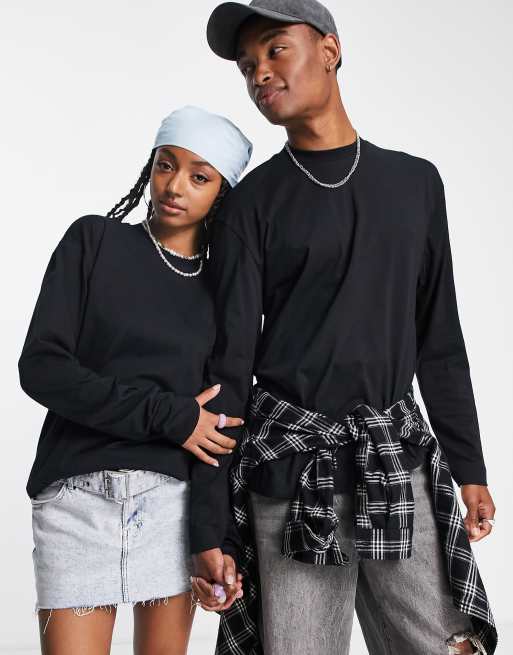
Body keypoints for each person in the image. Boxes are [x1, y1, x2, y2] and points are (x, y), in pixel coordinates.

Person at [189, 1, 499, 654]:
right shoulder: (250, 205)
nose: (259, 73)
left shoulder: (415, 184)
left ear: (329, 49)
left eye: (276, 49)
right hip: (291, 472)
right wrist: (210, 525)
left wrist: (467, 464)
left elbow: (439, 339)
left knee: (448, 644)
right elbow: (228, 367)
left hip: (395, 461)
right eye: (247, 65)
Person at [18, 105, 252, 655]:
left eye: (199, 176)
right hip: (76, 499)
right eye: (165, 165)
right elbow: (43, 368)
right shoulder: (94, 242)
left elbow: (221, 427)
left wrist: (216, 538)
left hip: (172, 506)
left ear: (223, 191)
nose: (175, 185)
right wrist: (170, 414)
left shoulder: (225, 291)